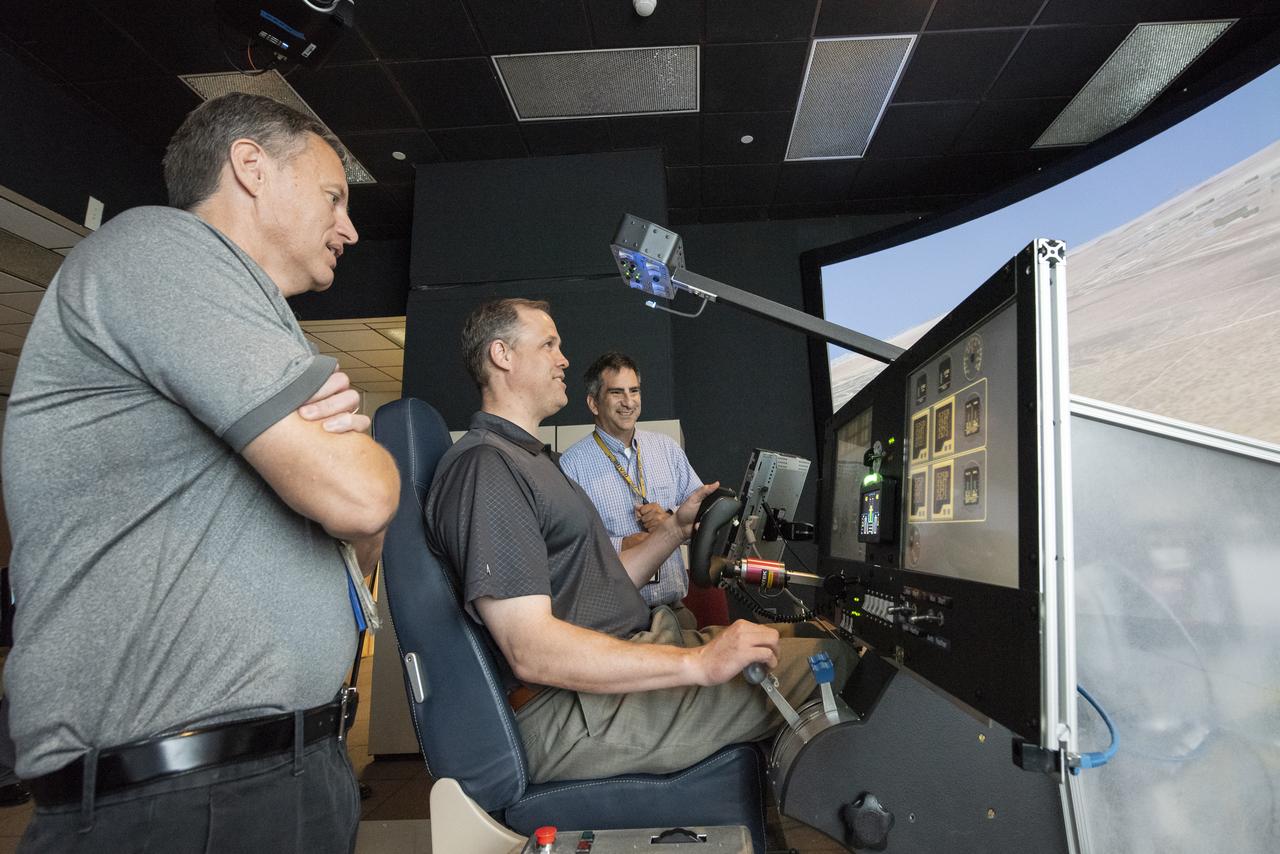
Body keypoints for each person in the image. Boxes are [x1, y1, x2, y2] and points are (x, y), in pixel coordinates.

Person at [0, 93, 399, 853]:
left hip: (278, 773)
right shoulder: (161, 248)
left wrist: (352, 464)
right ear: (250, 167)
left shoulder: (256, 319)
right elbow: (362, 494)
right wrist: (355, 460)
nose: (349, 227)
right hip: (180, 797)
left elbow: (361, 540)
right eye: (332, 197)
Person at [425, 298, 853, 784]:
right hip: (565, 712)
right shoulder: (488, 467)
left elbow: (606, 584)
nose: (563, 359)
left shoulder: (532, 460)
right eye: (549, 345)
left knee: (813, 638)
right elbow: (529, 648)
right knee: (837, 660)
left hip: (619, 658)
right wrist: (697, 662)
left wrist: (674, 528)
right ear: (502, 355)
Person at [559, 352, 704, 629]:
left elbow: (701, 521)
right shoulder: (571, 465)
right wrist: (621, 545)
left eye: (634, 391)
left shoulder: (667, 449)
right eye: (616, 392)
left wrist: (672, 522)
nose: (628, 402)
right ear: (593, 403)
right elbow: (568, 548)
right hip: (617, 622)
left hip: (676, 613)